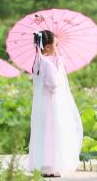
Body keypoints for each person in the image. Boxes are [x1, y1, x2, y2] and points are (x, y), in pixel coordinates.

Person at [28, 30, 83, 177]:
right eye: (55, 44)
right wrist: (58, 68)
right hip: (51, 104)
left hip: (42, 104)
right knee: (52, 132)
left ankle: (45, 164)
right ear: (46, 47)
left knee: (44, 132)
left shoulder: (37, 62)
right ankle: (52, 166)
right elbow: (53, 85)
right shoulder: (46, 63)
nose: (57, 48)